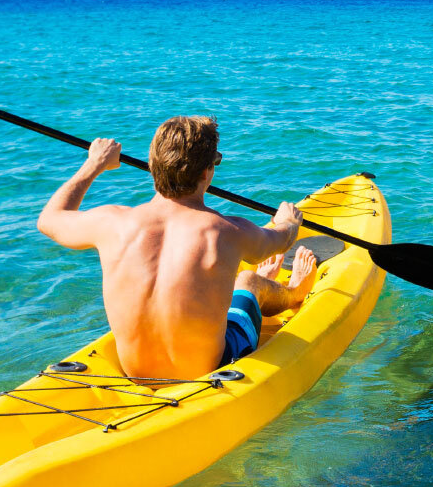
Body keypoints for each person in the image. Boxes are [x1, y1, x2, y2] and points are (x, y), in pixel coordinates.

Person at [34, 115, 320, 380]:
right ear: (207, 171)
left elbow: (49, 220)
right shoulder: (226, 231)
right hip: (215, 366)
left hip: (136, 373)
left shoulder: (112, 223)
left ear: (152, 165)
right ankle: (294, 291)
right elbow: (279, 240)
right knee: (247, 281)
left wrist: (94, 163)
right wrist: (288, 221)